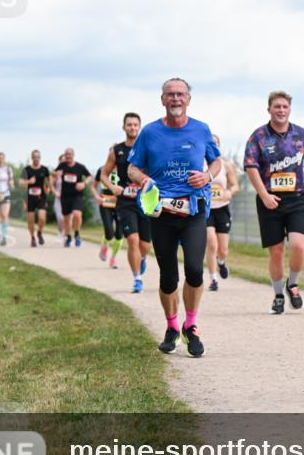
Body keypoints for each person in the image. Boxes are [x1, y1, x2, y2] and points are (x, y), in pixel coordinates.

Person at [127, 78, 221, 357]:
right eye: (170, 95)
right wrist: (144, 179)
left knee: (194, 268)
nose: (176, 99)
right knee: (168, 277)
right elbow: (132, 168)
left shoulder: (201, 129)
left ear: (189, 99)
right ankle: (171, 327)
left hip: (192, 211)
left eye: (181, 94)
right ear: (163, 100)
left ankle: (190, 327)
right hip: (162, 213)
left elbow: (216, 161)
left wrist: (208, 175)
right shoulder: (150, 132)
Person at [243, 90, 304, 314]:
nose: (281, 110)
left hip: (296, 198)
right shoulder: (258, 136)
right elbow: (250, 167)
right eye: (276, 106)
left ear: (289, 109)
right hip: (270, 200)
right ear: (269, 109)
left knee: (298, 245)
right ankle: (278, 294)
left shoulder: (301, 135)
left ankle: (292, 284)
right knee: (276, 251)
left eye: (284, 107)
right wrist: (264, 195)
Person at [102, 112, 151, 293]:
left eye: (135, 125)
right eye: (129, 124)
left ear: (139, 127)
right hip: (125, 202)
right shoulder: (117, 150)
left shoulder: (147, 148)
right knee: (132, 239)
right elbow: (104, 175)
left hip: (145, 201)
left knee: (145, 245)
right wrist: (113, 188)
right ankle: (137, 278)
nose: (132, 127)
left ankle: (143, 257)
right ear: (124, 127)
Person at [205, 133, 239, 291]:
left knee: (223, 250)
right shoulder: (200, 165)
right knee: (211, 243)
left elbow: (235, 185)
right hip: (206, 209)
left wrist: (229, 192)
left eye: (216, 143)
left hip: (222, 209)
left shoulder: (226, 165)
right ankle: (213, 279)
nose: (213, 146)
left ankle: (221, 262)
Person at [52, 148, 91, 247]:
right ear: (64, 156)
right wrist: (56, 174)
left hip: (77, 195)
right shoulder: (62, 166)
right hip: (65, 196)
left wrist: (84, 183)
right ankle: (68, 236)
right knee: (66, 218)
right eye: (66, 155)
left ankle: (77, 234)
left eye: (70, 154)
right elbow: (52, 174)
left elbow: (89, 176)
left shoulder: (80, 167)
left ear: (73, 155)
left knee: (77, 214)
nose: (68, 156)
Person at [92, 166, 123, 268]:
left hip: (121, 204)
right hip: (105, 202)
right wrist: (97, 197)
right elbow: (93, 186)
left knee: (119, 234)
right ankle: (105, 246)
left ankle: (113, 258)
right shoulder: (102, 169)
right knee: (109, 233)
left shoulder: (126, 168)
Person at [19, 149, 50, 247]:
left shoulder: (44, 169)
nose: (36, 158)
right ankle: (32, 238)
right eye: (34, 157)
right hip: (29, 198)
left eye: (38, 157)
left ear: (40, 158)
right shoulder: (26, 169)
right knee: (30, 220)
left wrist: (48, 188)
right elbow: (20, 183)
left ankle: (39, 232)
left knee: (42, 218)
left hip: (41, 197)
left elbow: (48, 181)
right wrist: (29, 182)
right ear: (32, 158)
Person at [53, 153, 65, 237]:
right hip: (58, 199)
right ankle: (60, 231)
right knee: (60, 218)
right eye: (62, 160)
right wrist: (55, 192)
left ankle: (65, 235)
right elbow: (51, 185)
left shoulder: (70, 171)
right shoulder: (56, 173)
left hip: (67, 198)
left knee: (66, 218)